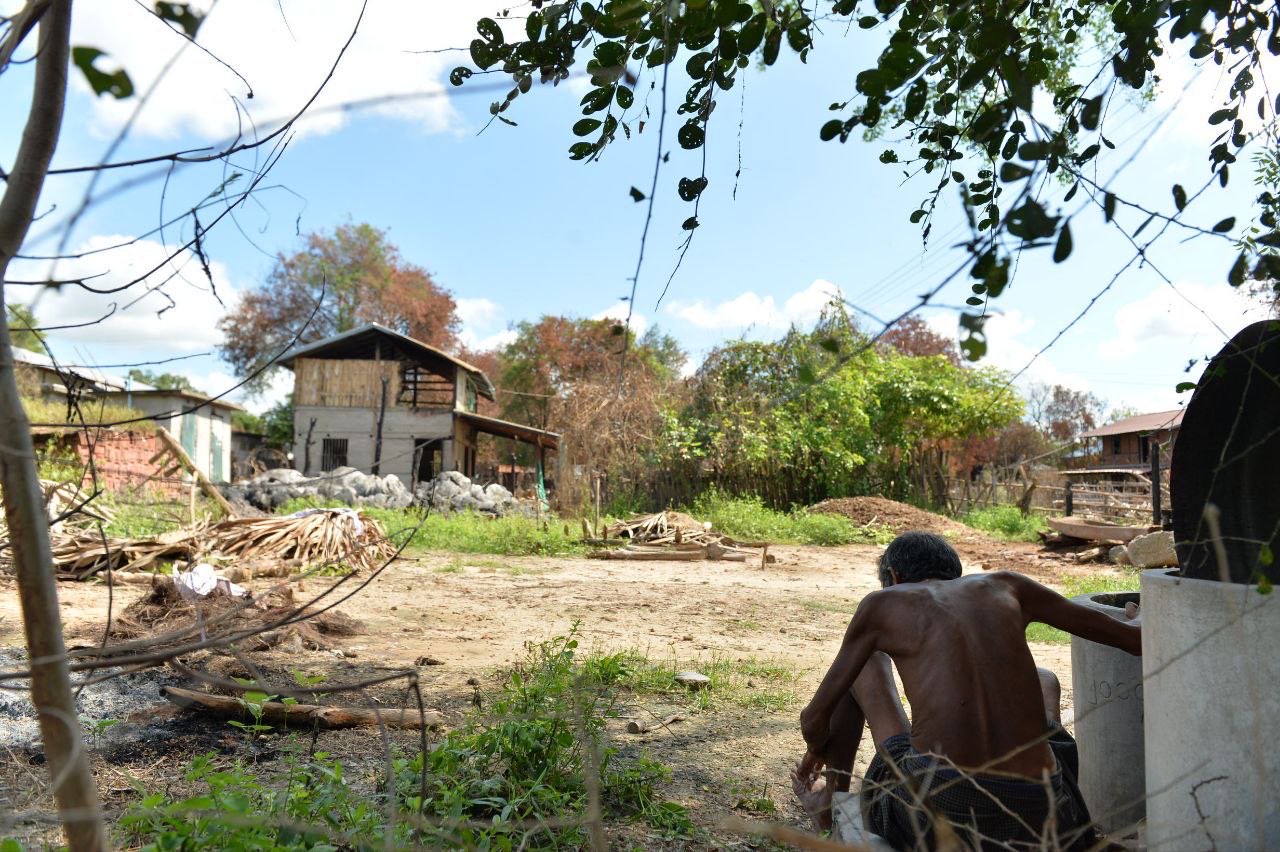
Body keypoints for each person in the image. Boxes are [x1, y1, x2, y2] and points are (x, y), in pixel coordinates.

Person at [792, 531, 1141, 850]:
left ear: (894, 578)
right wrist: (1138, 618)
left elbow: (813, 719)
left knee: (865, 664)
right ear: (953, 574)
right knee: (1045, 678)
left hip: (941, 813)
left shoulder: (883, 604)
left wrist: (817, 748)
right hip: (1043, 813)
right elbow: (1134, 640)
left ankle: (830, 802)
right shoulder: (1008, 585)